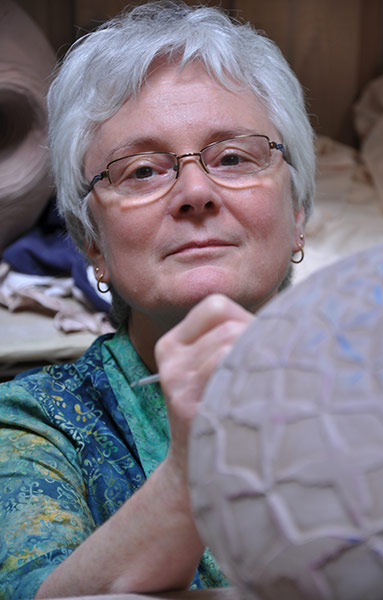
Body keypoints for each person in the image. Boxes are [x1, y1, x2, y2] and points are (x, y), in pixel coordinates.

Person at [0, 2, 315, 598]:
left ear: (297, 214)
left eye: (232, 158)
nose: (195, 191)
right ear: (93, 244)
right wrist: (190, 470)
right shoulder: (33, 423)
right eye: (142, 170)